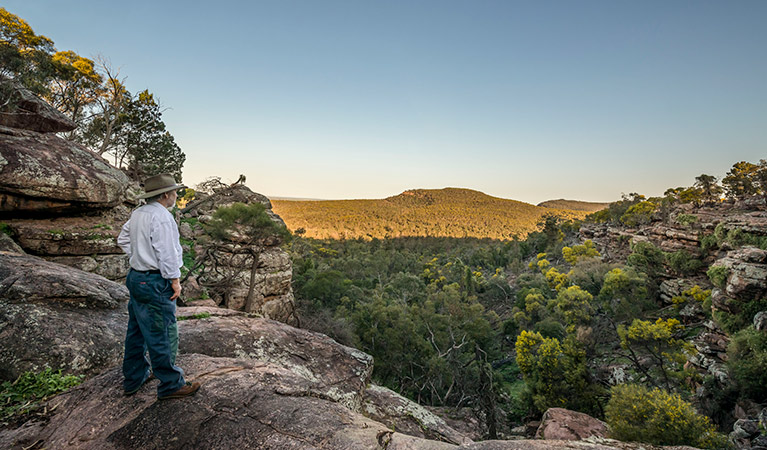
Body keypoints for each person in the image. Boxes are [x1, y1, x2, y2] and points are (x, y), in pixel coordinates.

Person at [117, 173, 200, 400]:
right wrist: (174, 280)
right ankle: (171, 384)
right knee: (161, 331)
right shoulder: (162, 217)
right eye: (174, 192)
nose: (176, 195)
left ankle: (134, 378)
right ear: (165, 194)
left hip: (136, 277)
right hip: (155, 281)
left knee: (136, 330)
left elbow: (122, 240)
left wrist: (140, 257)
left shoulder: (138, 214)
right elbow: (168, 253)